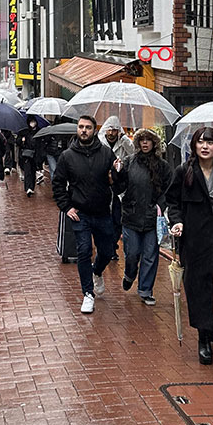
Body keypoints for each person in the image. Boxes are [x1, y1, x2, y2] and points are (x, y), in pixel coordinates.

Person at [165, 127, 213, 364]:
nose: (205, 146)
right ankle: (203, 337)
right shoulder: (184, 172)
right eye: (200, 142)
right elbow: (172, 201)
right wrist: (177, 222)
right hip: (194, 240)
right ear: (194, 146)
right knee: (198, 288)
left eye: (210, 142)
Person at [51, 115, 115, 314]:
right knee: (84, 251)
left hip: (103, 211)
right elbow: (58, 183)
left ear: (95, 130)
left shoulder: (106, 153)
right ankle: (88, 293)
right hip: (81, 213)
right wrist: (66, 206)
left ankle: (97, 271)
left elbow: (119, 183)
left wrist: (118, 173)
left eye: (88, 127)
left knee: (107, 250)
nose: (84, 130)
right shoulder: (67, 156)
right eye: (81, 127)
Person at [113, 128, 172, 306]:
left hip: (152, 218)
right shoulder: (129, 162)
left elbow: (168, 190)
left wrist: (160, 207)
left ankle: (146, 289)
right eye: (142, 140)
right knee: (132, 253)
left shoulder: (162, 166)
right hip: (131, 216)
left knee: (150, 255)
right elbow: (118, 188)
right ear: (138, 143)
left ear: (154, 143)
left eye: (148, 140)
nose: (145, 143)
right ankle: (130, 274)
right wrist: (117, 172)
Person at [99, 116, 134, 253]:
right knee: (106, 216)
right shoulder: (100, 143)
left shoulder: (123, 142)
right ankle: (109, 246)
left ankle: (112, 245)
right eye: (109, 130)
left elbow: (132, 152)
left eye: (115, 130)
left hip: (120, 184)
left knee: (118, 217)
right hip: (105, 183)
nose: (112, 133)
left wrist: (124, 138)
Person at [16, 116, 41, 195]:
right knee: (27, 171)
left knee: (33, 171)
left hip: (35, 154)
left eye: (33, 121)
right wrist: (22, 140)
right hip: (26, 155)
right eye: (31, 122)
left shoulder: (39, 131)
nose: (32, 123)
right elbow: (18, 142)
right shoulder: (24, 132)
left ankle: (32, 187)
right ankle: (28, 188)